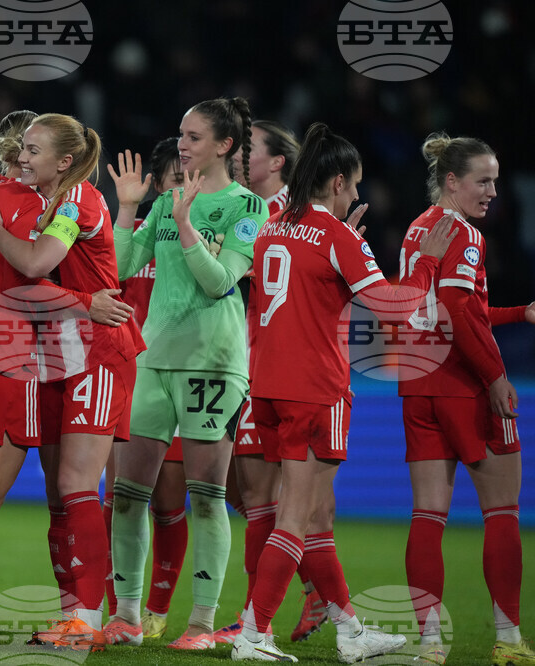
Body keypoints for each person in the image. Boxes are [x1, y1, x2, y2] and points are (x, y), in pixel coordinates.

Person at [232, 122, 456, 663]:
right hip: (316, 389)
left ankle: (350, 630)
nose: (357, 195)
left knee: (313, 518)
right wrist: (425, 260)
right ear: (336, 182)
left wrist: (345, 241)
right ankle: (254, 633)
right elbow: (391, 308)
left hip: (267, 387)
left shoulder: (272, 228)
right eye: (353, 185)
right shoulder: (339, 237)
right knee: (298, 517)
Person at [0, 112, 146, 650]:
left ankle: (91, 618)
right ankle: (73, 611)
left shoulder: (77, 201)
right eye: (23, 147)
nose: (22, 156)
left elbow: (37, 262)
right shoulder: (52, 199)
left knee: (75, 485)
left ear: (64, 161)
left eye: (34, 150)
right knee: (57, 492)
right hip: (60, 355)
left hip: (99, 354)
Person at [106, 97, 267, 650]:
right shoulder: (169, 198)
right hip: (151, 359)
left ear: (224, 145)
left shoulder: (248, 205)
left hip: (213, 365)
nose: (182, 143)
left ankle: (200, 624)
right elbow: (122, 268)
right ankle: (126, 617)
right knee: (127, 494)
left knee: (204, 496)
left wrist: (186, 227)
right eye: (181, 134)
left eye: (194, 136)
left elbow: (222, 282)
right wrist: (128, 209)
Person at [398, 133, 535, 666]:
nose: (493, 191)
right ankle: (507, 641)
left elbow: (440, 305)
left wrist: (516, 313)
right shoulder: (464, 233)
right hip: (464, 388)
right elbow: (457, 308)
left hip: (419, 388)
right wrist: (497, 376)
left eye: (496, 180)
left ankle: (430, 646)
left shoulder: (418, 229)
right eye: (484, 180)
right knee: (502, 511)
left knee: (427, 516)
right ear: (452, 181)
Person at [221, 120, 330, 645]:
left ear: (277, 162)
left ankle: (251, 619)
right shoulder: (248, 210)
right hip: (247, 368)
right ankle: (313, 595)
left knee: (283, 501)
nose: (239, 158)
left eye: (248, 151)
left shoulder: (295, 218)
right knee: (245, 495)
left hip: (289, 375)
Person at [101, 136, 190, 640]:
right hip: (132, 376)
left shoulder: (203, 229)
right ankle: (121, 607)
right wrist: (127, 210)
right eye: (178, 178)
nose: (187, 187)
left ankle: (157, 609)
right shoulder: (143, 227)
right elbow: (111, 274)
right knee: (120, 496)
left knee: (171, 500)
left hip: (182, 373)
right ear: (159, 183)